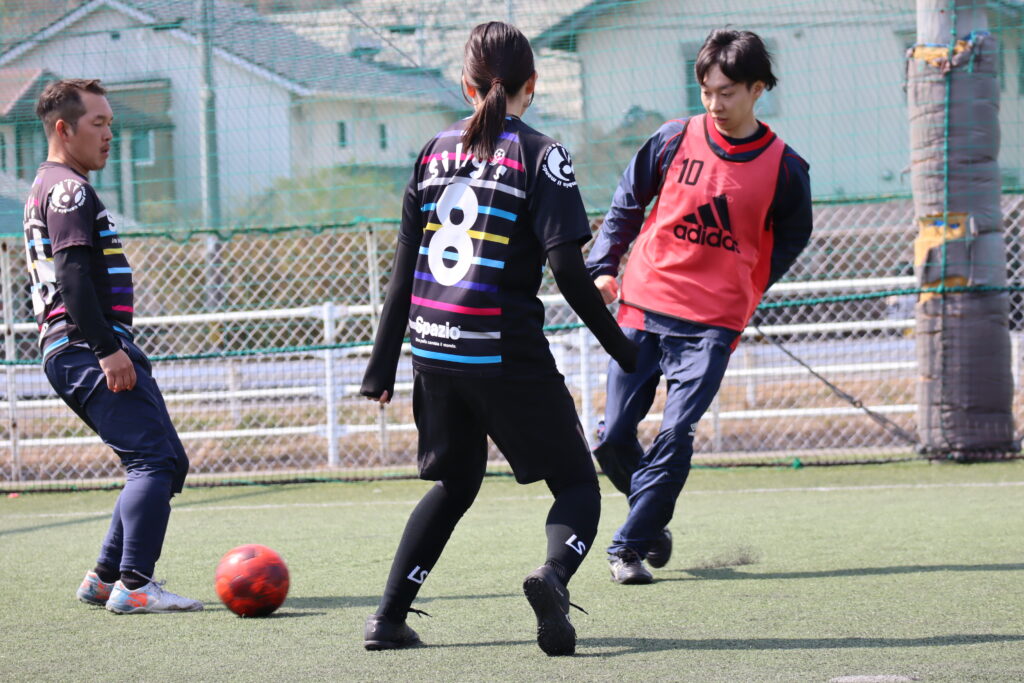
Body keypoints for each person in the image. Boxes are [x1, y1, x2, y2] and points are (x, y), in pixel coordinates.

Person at [359, 22, 637, 656]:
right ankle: (553, 576)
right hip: (502, 350)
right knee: (577, 484)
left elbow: (403, 274)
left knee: (456, 484)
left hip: (433, 352)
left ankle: (387, 618)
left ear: (467, 85)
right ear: (531, 85)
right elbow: (568, 269)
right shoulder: (542, 154)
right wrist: (624, 349)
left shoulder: (432, 152)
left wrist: (380, 368)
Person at [587, 29, 813, 584]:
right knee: (611, 439)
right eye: (707, 91)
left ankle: (627, 547)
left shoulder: (786, 168)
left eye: (727, 92)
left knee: (675, 434)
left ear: (758, 89)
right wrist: (602, 266)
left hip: (711, 325)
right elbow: (626, 203)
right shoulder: (671, 139)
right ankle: (649, 521)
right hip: (642, 306)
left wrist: (751, 286)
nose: (715, 103)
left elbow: (792, 237)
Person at [23, 79, 201, 613]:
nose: (109, 135)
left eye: (111, 125)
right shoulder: (69, 190)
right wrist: (106, 349)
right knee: (152, 461)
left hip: (78, 347)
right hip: (85, 347)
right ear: (64, 129)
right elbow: (73, 277)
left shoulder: (52, 185)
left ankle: (105, 577)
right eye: (98, 124)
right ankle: (135, 585)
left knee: (168, 460)